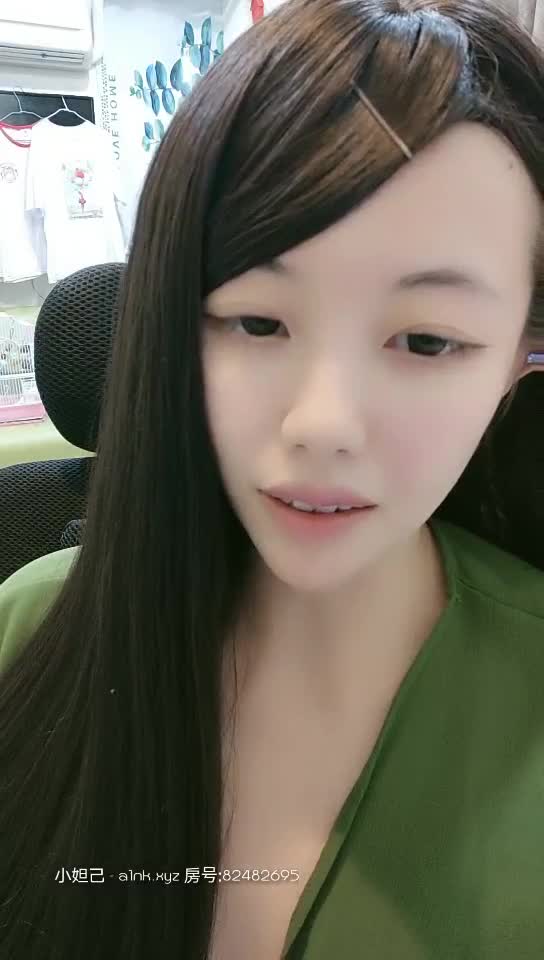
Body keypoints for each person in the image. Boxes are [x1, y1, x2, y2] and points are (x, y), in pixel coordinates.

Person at [1, 0, 544, 957]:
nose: (322, 423)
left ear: (517, 360)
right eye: (257, 322)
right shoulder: (29, 630)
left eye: (427, 341)